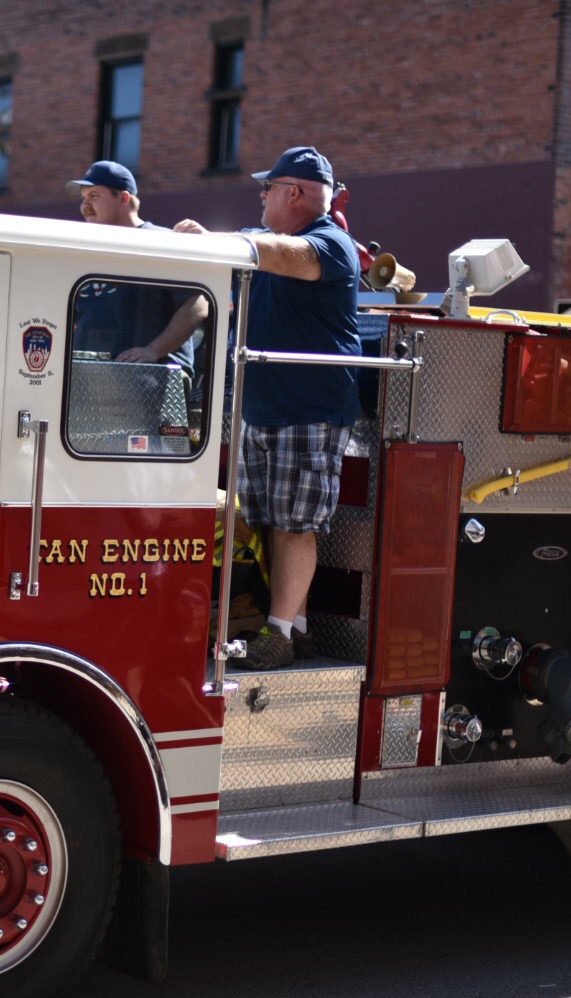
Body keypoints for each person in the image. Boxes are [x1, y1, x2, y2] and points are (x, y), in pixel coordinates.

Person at [175, 146, 361, 669]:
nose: (260, 196)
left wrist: (222, 240)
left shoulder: (331, 244)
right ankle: (294, 626)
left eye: (269, 187)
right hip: (263, 408)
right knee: (269, 520)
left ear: (295, 192)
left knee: (295, 524)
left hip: (309, 408)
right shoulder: (267, 245)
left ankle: (277, 633)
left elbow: (280, 255)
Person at [67, 161, 208, 371]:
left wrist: (153, 350)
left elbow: (198, 304)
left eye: (94, 196)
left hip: (151, 377)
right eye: (83, 198)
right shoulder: (88, 248)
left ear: (123, 198)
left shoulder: (161, 241)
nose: (85, 206)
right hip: (87, 374)